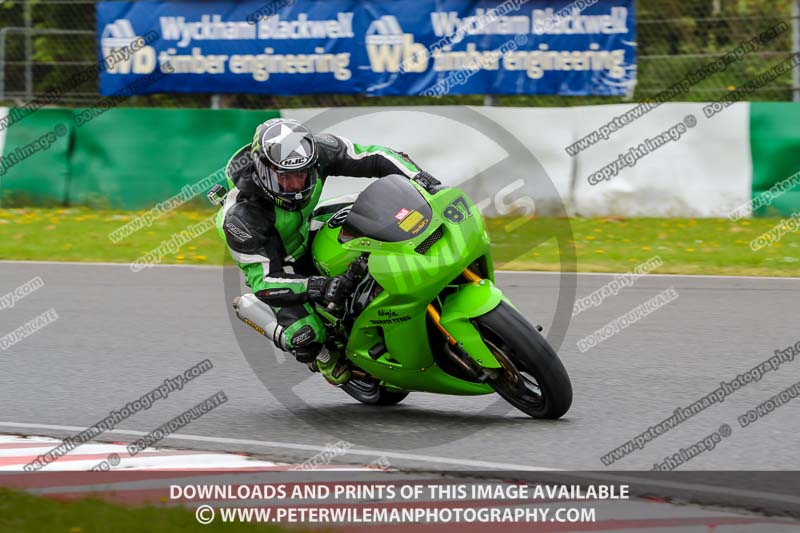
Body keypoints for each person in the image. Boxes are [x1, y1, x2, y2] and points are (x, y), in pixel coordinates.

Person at [214, 118, 441, 385]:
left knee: (379, 215)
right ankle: (323, 358)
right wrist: (320, 285)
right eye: (285, 178)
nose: (297, 184)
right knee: (305, 335)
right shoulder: (241, 218)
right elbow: (264, 280)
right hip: (278, 264)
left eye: (302, 175)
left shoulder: (318, 152)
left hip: (309, 226)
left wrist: (420, 178)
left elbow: (375, 156)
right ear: (263, 172)